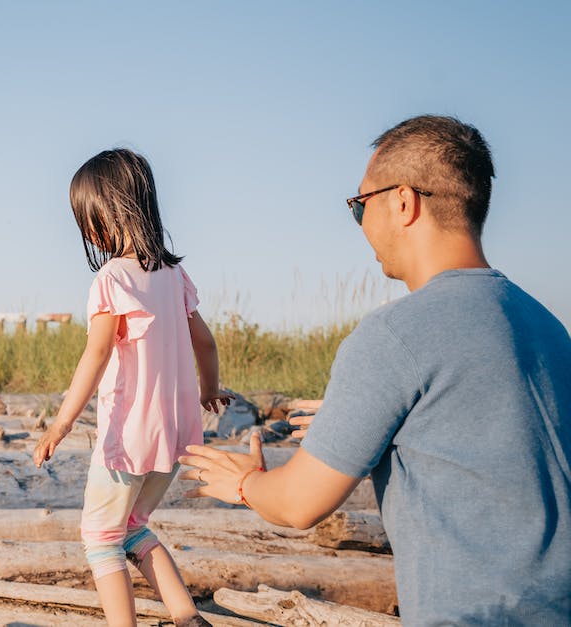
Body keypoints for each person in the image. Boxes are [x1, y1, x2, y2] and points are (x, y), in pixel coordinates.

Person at [178, 115, 571, 625]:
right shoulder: (547, 326)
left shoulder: (394, 334)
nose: (360, 220)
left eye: (359, 205)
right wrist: (376, 429)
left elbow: (299, 504)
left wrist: (246, 483)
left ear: (403, 202)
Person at [33, 148, 231, 627]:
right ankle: (186, 616)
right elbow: (203, 340)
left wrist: (61, 423)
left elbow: (97, 354)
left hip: (129, 439)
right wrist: (210, 390)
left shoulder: (112, 279)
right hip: (177, 435)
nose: (85, 231)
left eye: (86, 218)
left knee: (100, 536)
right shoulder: (173, 275)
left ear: (108, 212)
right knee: (133, 527)